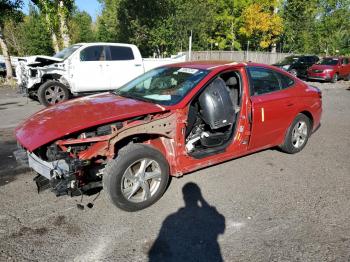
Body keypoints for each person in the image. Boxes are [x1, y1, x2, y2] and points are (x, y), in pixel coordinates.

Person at [149, 182, 226, 262]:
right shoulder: (172, 218)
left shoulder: (170, 218)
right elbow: (221, 227)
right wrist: (202, 200)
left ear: (184, 197)